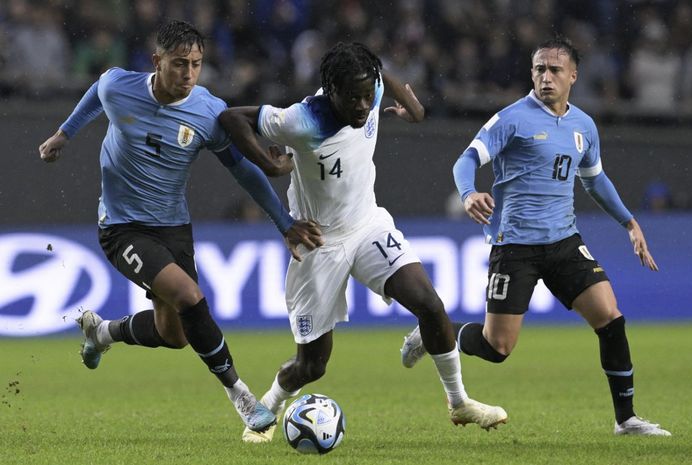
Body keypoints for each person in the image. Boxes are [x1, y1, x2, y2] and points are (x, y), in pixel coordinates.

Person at [38, 20, 323, 434]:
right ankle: (240, 394)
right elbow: (97, 91)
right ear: (157, 61)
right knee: (190, 296)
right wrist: (65, 134)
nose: (189, 74)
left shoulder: (208, 111)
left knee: (173, 334)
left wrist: (284, 223)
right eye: (179, 64)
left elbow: (242, 171)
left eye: (196, 64)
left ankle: (102, 332)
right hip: (122, 227)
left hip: (174, 227)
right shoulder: (121, 87)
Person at [218, 41, 508, 443]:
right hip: (319, 241)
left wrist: (413, 104)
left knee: (430, 304)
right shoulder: (301, 121)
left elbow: (379, 73)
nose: (362, 105)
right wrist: (270, 165)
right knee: (312, 365)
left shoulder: (366, 85)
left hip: (367, 224)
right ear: (330, 91)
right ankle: (270, 402)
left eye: (367, 95)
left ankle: (459, 402)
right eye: (351, 97)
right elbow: (232, 118)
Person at [400, 36, 671, 437]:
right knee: (497, 349)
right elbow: (466, 160)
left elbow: (595, 182)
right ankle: (433, 332)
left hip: (564, 241)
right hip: (514, 246)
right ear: (532, 74)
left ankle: (626, 420)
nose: (546, 77)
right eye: (539, 69)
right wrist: (469, 192)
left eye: (555, 70)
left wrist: (630, 223)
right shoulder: (512, 118)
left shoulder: (583, 126)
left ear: (573, 76)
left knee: (610, 317)